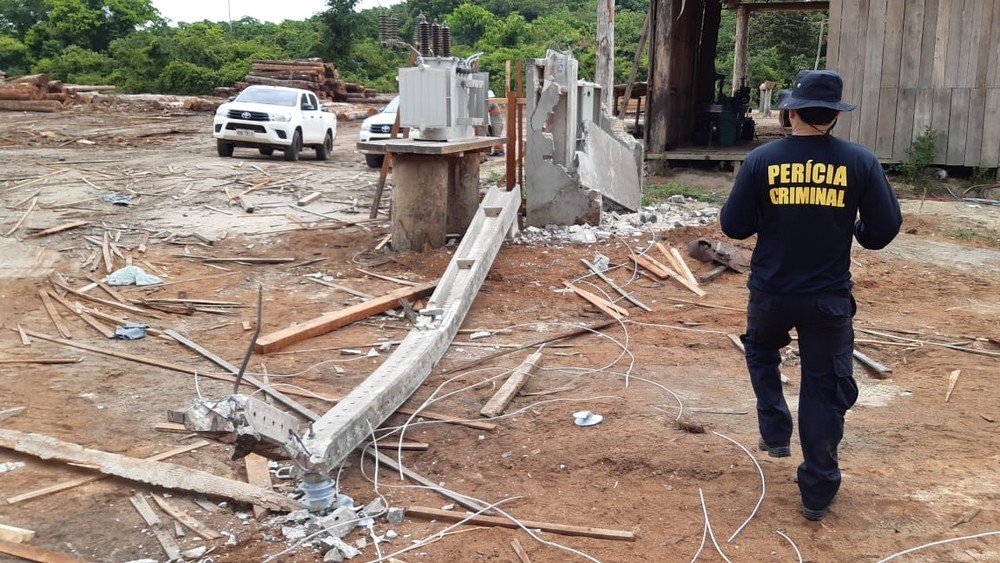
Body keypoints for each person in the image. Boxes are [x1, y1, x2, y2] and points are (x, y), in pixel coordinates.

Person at [719, 70, 902, 522]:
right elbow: (884, 228)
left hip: (770, 292)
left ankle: (775, 429)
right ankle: (817, 492)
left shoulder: (763, 160)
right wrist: (855, 228)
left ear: (791, 110)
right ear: (835, 117)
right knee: (823, 388)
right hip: (828, 301)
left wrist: (771, 212)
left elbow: (734, 226)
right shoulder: (859, 162)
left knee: (761, 349)